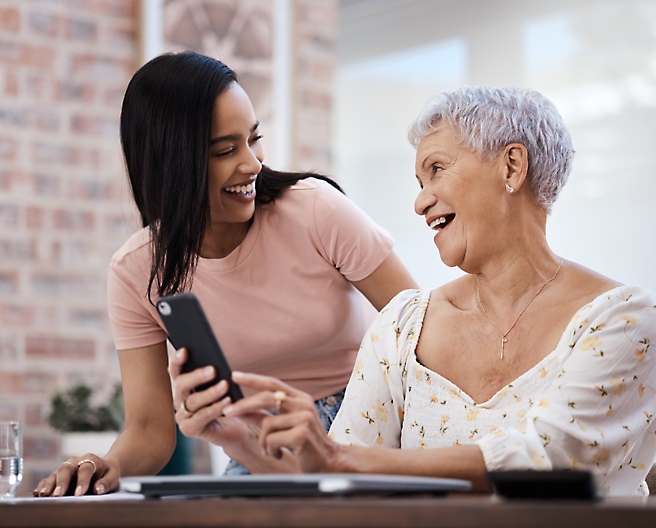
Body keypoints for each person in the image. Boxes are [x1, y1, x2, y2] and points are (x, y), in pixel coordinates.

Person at [182, 86, 656, 496]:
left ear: (511, 166)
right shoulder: (403, 325)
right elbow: (336, 483)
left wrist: (340, 459)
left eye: (436, 170)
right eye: (418, 181)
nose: (419, 201)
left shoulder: (622, 319)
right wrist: (237, 438)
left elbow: (553, 458)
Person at [34, 51, 417, 497]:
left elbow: (425, 330)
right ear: (170, 163)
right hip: (260, 444)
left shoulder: (315, 210)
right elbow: (149, 427)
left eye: (253, 139)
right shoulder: (136, 271)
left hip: (371, 418)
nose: (253, 163)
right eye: (225, 150)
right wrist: (104, 465)